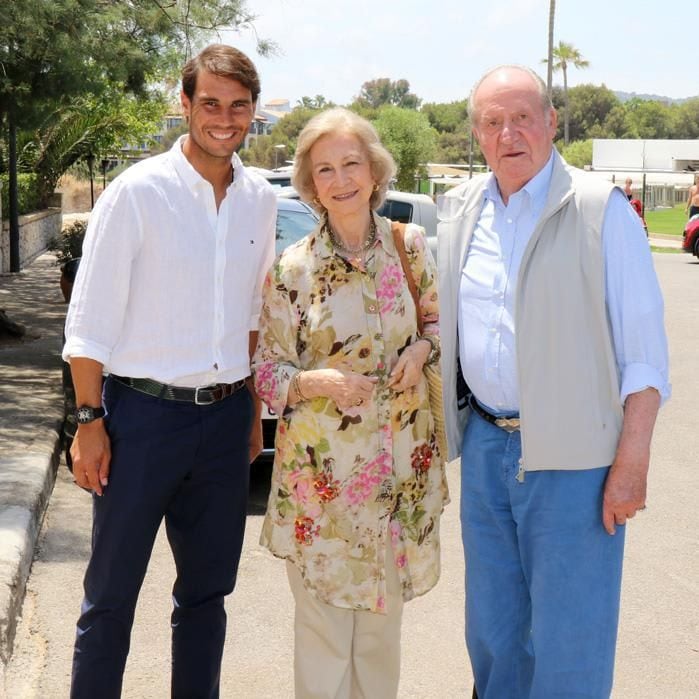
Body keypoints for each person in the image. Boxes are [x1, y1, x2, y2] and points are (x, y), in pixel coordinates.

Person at [437, 65, 669, 699]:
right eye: (492, 121)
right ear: (477, 135)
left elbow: (644, 356)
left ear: (550, 124)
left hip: (576, 462)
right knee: (493, 634)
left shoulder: (601, 210)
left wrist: (632, 463)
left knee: (572, 642)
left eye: (521, 118)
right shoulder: (459, 213)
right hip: (486, 447)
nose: (508, 133)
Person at [62, 44, 276, 698]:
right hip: (141, 420)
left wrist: (253, 412)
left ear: (252, 113)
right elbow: (90, 321)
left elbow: (252, 314)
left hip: (225, 421)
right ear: (184, 104)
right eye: (209, 103)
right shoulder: (137, 192)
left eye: (238, 106)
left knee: (207, 598)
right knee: (110, 599)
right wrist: (90, 421)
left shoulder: (260, 199)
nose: (223, 118)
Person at [252, 107, 448, 698]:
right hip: (322, 487)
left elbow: (436, 327)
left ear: (375, 169)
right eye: (326, 169)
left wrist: (420, 351)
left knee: (380, 638)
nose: (341, 180)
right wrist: (317, 382)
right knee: (324, 638)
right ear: (310, 184)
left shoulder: (407, 246)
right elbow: (267, 371)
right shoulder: (293, 268)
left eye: (351, 163)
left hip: (397, 479)